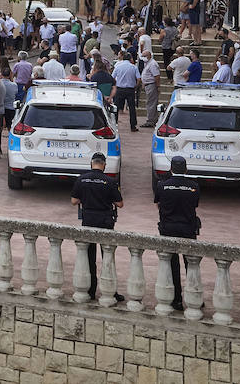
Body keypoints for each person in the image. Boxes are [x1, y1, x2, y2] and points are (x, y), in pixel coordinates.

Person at [71, 152, 124, 302]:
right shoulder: (110, 181)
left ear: (91, 163)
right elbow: (120, 204)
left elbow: (74, 201)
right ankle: (111, 291)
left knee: (89, 257)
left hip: (88, 219)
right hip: (105, 221)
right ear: (104, 165)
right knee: (108, 256)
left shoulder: (81, 179)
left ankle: (91, 291)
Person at [154, 155, 201, 312]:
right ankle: (195, 298)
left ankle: (177, 300)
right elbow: (194, 205)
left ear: (171, 169)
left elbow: (158, 205)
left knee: (172, 264)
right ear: (186, 169)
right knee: (191, 264)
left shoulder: (162, 186)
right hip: (188, 228)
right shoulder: (194, 186)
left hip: (169, 228)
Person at [111, 53, 140, 132]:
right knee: (132, 108)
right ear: (130, 59)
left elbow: (112, 77)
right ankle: (133, 126)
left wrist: (116, 84)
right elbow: (138, 79)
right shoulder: (134, 67)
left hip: (120, 89)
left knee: (116, 107)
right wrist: (135, 87)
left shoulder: (118, 66)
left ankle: (114, 124)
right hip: (130, 89)